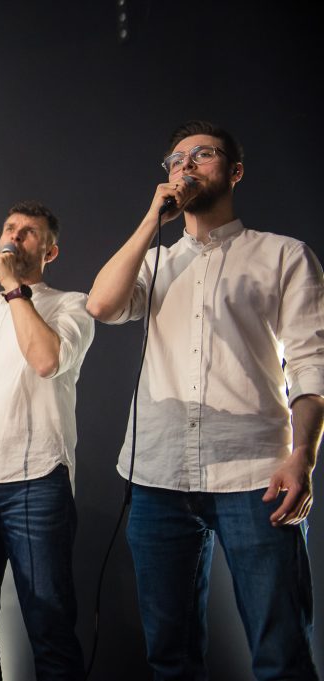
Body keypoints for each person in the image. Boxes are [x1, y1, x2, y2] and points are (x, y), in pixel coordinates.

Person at [86, 120, 324, 679]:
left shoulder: (283, 255)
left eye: (202, 155)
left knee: (282, 653)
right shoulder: (155, 260)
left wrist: (304, 457)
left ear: (235, 171)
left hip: (255, 474)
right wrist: (153, 220)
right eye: (176, 159)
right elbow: (101, 306)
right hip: (158, 476)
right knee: (170, 657)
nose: (186, 165)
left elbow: (312, 365)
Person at [0, 201, 93, 679]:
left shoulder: (71, 305)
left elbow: (47, 360)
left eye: (30, 232)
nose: (15, 235)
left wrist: (13, 287)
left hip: (36, 482)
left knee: (50, 628)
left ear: (51, 251)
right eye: (10, 227)